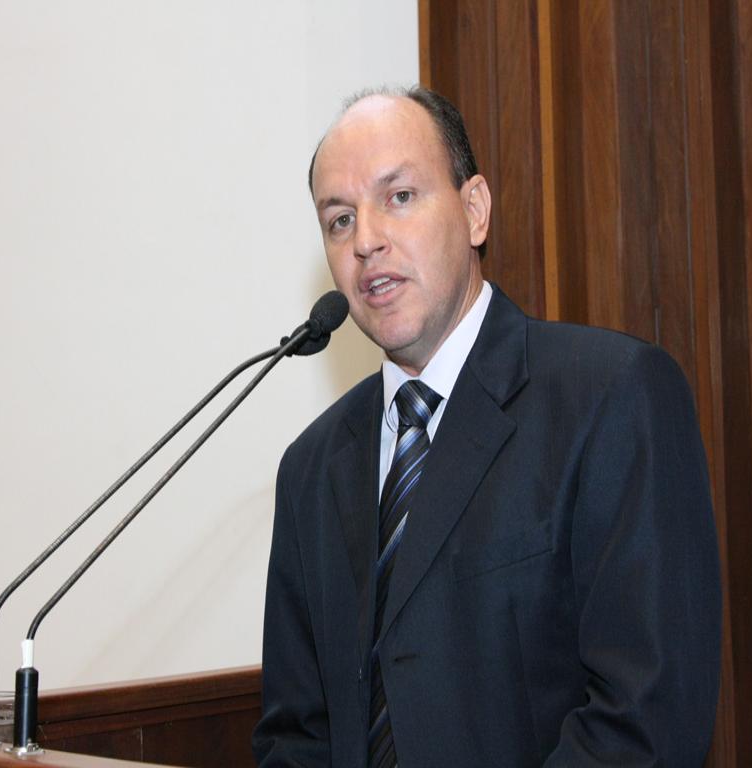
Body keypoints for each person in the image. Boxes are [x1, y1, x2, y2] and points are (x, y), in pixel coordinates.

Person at [252, 86, 721, 767]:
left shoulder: (611, 397)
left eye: (399, 197)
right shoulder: (311, 467)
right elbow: (295, 735)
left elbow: (647, 718)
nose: (367, 241)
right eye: (340, 220)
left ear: (475, 210)